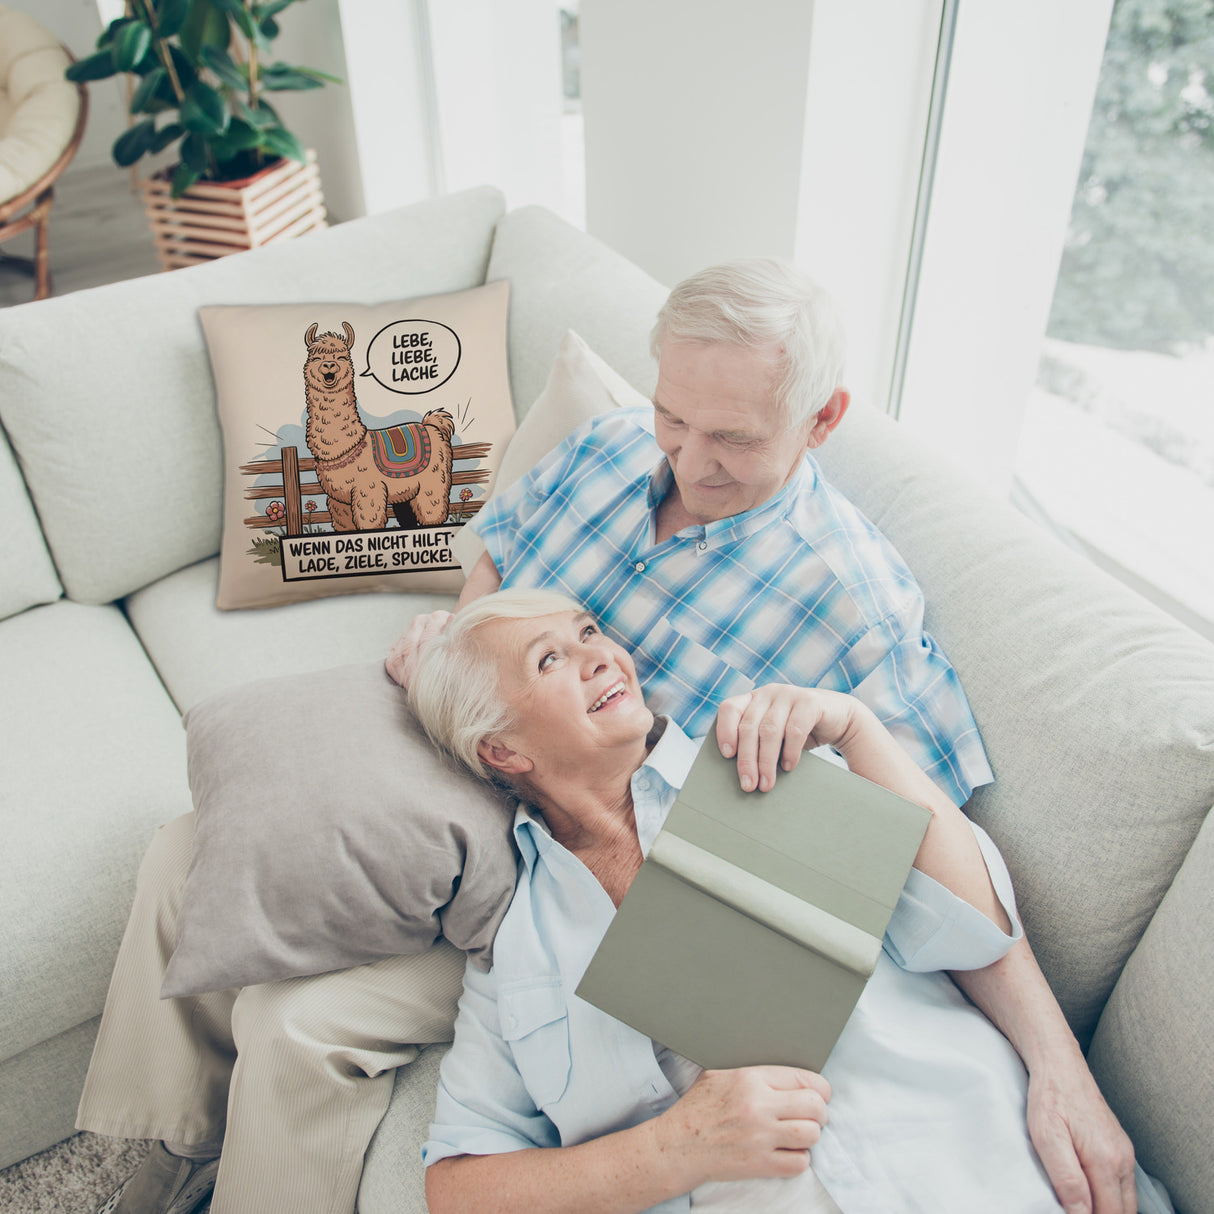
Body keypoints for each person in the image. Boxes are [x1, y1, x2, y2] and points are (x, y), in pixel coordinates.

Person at [79, 260, 1131, 1214]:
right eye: (674, 415)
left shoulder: (853, 607)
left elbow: (927, 856)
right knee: (192, 847)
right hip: (490, 749)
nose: (687, 457)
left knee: (300, 1024)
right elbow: (498, 558)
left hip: (580, 853)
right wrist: (458, 642)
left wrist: (1057, 1063)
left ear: (820, 420)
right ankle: (159, 1149)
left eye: (732, 438)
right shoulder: (608, 447)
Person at [407, 588, 1160, 1214]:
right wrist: (674, 1149)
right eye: (550, 659)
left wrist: (859, 731)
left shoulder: (762, 762)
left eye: (589, 632)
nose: (601, 655)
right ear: (502, 750)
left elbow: (972, 929)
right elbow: (458, 1188)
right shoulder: (516, 952)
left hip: (985, 1167)